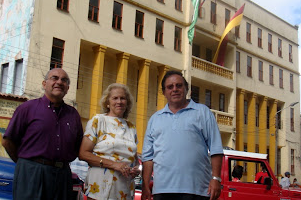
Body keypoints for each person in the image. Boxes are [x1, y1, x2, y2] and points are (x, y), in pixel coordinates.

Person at [2, 68, 84, 200]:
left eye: (64, 80)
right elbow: (7, 141)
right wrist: (25, 164)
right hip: (31, 173)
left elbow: (78, 145)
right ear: (44, 84)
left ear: (68, 88)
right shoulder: (27, 108)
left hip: (62, 176)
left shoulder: (73, 114)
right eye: (54, 78)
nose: (59, 82)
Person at [141, 70, 224, 200]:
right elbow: (147, 157)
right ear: (164, 92)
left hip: (197, 190)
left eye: (179, 85)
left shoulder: (202, 112)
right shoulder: (155, 119)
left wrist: (216, 178)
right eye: (170, 87)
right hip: (162, 191)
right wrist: (145, 185)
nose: (175, 89)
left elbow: (216, 149)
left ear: (186, 89)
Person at [79, 83, 140, 200]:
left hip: (124, 188)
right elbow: (83, 153)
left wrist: (136, 169)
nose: (119, 101)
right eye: (115, 98)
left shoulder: (131, 127)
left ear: (127, 103)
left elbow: (134, 158)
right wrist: (114, 165)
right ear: (107, 102)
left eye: (123, 98)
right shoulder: (98, 121)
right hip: (100, 187)